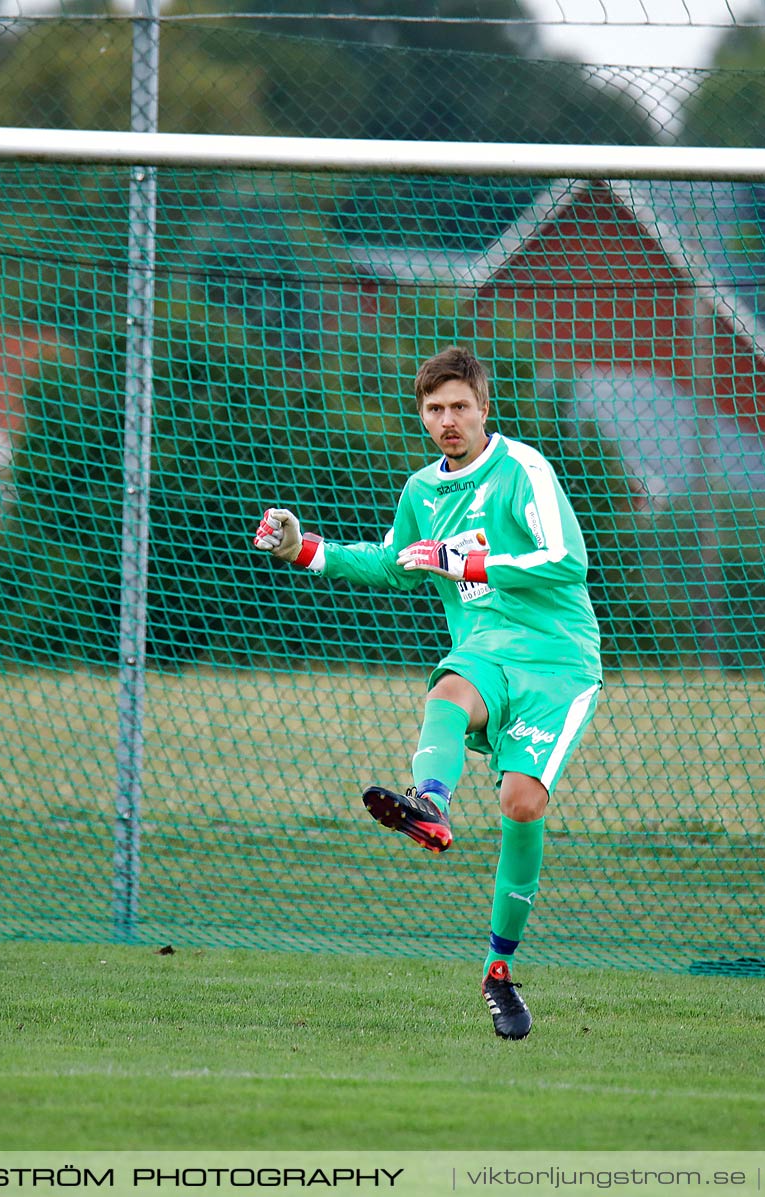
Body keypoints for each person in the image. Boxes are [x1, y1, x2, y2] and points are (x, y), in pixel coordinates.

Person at [253, 347, 602, 1040]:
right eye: (435, 410)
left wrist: (465, 559)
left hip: (559, 660)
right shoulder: (422, 492)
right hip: (485, 652)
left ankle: (498, 973)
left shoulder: (524, 469)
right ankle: (430, 806)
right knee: (447, 688)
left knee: (520, 802)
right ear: (422, 416)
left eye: (460, 408)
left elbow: (568, 560)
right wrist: (302, 548)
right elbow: (394, 563)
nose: (448, 421)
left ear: (484, 409)